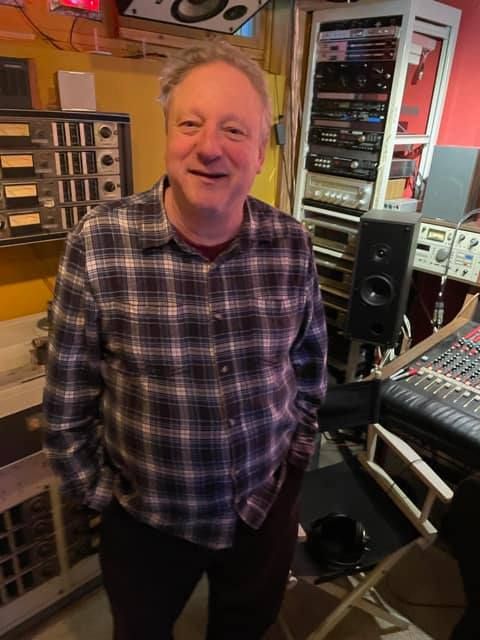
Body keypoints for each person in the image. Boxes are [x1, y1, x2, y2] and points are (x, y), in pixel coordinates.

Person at [43, 40, 328, 640]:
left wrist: (294, 466)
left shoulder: (291, 244)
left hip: (263, 513)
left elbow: (310, 372)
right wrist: (104, 501)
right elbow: (67, 408)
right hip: (146, 527)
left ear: (261, 152)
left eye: (234, 129)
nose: (209, 147)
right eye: (190, 124)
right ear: (168, 135)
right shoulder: (98, 244)